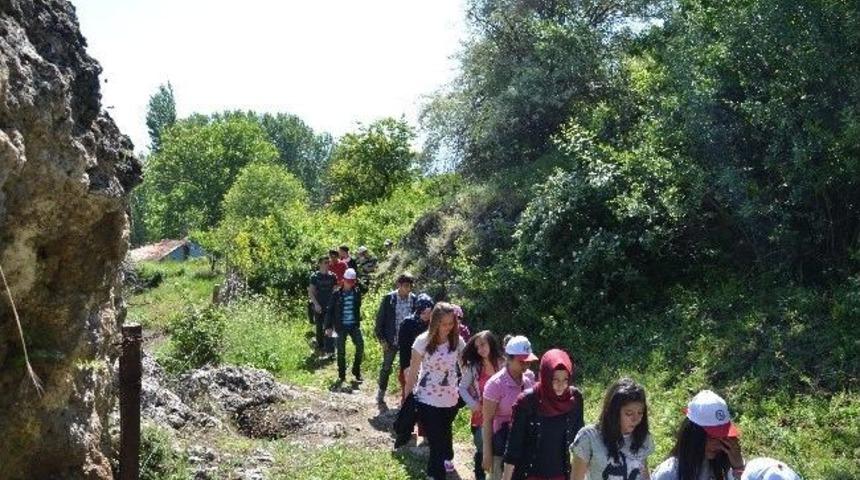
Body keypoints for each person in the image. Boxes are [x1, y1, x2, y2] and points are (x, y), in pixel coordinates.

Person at [403, 302, 467, 480]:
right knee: (436, 441)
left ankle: (447, 457)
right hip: (426, 398)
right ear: (435, 322)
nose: (448, 327)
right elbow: (413, 373)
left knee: (444, 432)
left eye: (451, 323)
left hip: (451, 399)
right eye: (444, 323)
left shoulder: (458, 341)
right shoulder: (422, 342)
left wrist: (471, 390)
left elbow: (466, 370)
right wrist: (407, 399)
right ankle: (435, 475)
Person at [502, 349, 584, 480]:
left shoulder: (574, 399)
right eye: (555, 379)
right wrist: (506, 478)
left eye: (565, 379)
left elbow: (581, 441)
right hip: (530, 475)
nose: (561, 385)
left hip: (561, 475)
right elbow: (514, 446)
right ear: (545, 376)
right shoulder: (527, 401)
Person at [652, 390, 745, 480]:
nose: (719, 444)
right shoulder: (669, 473)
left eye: (724, 437)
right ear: (693, 435)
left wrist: (739, 468)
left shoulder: (728, 468)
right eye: (712, 437)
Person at [571, 378, 653, 480]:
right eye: (629, 413)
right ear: (613, 412)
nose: (635, 419)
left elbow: (644, 474)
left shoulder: (643, 438)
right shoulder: (589, 437)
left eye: (640, 413)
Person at [482, 335, 538, 480]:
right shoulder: (495, 384)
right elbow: (487, 421)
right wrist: (487, 454)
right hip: (502, 446)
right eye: (521, 362)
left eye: (528, 362)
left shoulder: (530, 379)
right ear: (509, 358)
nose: (526, 366)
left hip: (525, 443)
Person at [459, 331, 506, 480]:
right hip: (481, 414)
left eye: (483, 344)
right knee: (481, 449)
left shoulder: (504, 363)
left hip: (503, 415)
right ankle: (479, 477)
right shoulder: (474, 367)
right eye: (477, 347)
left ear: (491, 343)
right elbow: (462, 388)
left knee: (499, 451)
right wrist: (473, 404)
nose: (480, 349)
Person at [374, 273, 416, 405]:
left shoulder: (414, 299)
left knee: (407, 369)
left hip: (407, 341)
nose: (408, 289)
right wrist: (382, 340)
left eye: (410, 286)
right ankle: (381, 392)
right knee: (386, 366)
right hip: (391, 339)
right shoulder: (389, 298)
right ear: (399, 285)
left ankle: (406, 396)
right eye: (405, 286)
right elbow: (380, 320)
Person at [325, 268, 364, 383]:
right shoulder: (336, 294)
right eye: (348, 281)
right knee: (341, 351)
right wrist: (328, 326)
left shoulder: (357, 292)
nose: (350, 284)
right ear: (344, 280)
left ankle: (356, 371)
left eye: (352, 282)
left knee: (360, 346)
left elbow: (358, 307)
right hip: (340, 326)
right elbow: (330, 310)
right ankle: (342, 375)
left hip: (353, 325)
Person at [398, 294, 435, 401]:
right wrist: (405, 367)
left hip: (428, 364)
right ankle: (405, 414)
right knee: (408, 394)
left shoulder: (434, 324)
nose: (427, 316)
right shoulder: (408, 323)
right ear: (418, 311)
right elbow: (403, 348)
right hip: (410, 362)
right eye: (424, 313)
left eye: (430, 313)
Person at [307, 256, 337, 358]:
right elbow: (311, 292)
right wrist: (315, 304)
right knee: (319, 328)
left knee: (329, 327)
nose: (327, 264)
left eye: (328, 262)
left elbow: (335, 291)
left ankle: (330, 351)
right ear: (319, 264)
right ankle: (320, 347)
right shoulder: (314, 277)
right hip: (318, 305)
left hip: (330, 305)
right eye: (325, 262)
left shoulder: (333, 276)